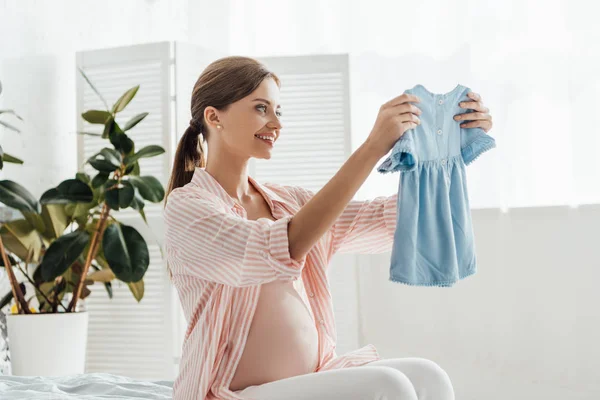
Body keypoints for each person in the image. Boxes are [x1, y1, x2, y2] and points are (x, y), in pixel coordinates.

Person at [164, 56, 493, 400]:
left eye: (279, 110)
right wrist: (372, 148)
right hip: (231, 393)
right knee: (389, 387)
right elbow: (278, 248)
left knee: (429, 377)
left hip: (314, 377)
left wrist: (450, 148)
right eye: (261, 108)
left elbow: (394, 220)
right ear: (214, 117)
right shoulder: (189, 208)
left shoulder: (290, 201)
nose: (276, 123)